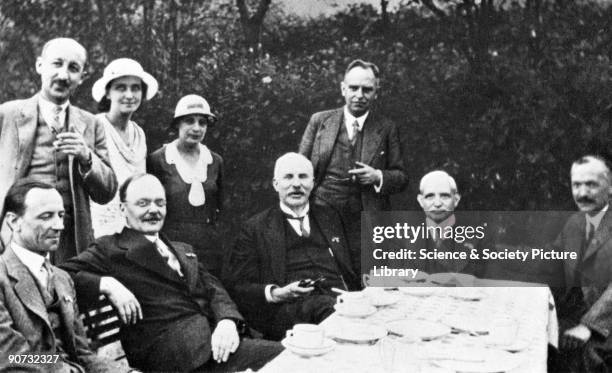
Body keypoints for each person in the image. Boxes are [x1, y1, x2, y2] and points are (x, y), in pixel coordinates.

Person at [60, 173, 282, 372]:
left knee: (294, 355)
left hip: (219, 344)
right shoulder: (110, 249)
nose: (153, 210)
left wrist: (227, 321)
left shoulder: (184, 249)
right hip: (176, 359)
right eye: (143, 203)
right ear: (122, 209)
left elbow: (215, 289)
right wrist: (106, 283)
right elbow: (60, 274)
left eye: (160, 203)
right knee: (290, 360)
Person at [0, 38, 117, 263]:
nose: (63, 75)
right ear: (39, 65)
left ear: (82, 77)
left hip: (70, 241)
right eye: (57, 64)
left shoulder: (91, 124)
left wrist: (86, 157)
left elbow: (107, 192)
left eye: (73, 68)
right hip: (17, 237)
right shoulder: (7, 115)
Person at [224, 153, 359, 340]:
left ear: (312, 183)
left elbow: (355, 264)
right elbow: (239, 286)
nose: (296, 184)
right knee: (329, 309)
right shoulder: (255, 228)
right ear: (275, 184)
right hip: (288, 311)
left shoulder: (331, 217)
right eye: (288, 177)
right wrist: (277, 293)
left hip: (342, 300)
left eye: (303, 177)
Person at [0, 178, 124, 372]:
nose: (59, 226)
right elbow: (11, 357)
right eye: (46, 216)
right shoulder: (2, 277)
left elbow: (82, 353)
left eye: (60, 215)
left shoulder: (62, 278)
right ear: (14, 221)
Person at [299, 59, 408, 272]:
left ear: (376, 92)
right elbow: (298, 167)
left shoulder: (386, 128)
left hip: (366, 218)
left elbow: (402, 177)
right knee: (329, 274)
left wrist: (378, 176)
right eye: (354, 88)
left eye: (367, 90)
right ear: (343, 89)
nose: (359, 95)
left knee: (365, 276)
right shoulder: (320, 121)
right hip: (323, 215)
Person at [148, 94, 224, 276]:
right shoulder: (158, 159)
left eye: (202, 122)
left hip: (209, 249)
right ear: (177, 124)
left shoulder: (215, 161)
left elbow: (219, 207)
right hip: (170, 246)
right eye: (189, 121)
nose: (196, 128)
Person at [552, 155, 612, 372]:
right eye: (576, 185)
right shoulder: (575, 223)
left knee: (586, 355)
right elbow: (550, 265)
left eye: (591, 185)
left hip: (604, 325)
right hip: (578, 318)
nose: (582, 193)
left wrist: (590, 326)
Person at [90, 58, 158, 237]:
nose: (129, 95)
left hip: (133, 223)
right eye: (121, 87)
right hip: (100, 225)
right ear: (108, 93)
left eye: (135, 88)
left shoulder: (139, 133)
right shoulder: (95, 126)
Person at [412, 170, 485, 276]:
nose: (437, 203)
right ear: (420, 200)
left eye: (444, 196)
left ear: (456, 199)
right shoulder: (402, 238)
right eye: (430, 196)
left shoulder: (478, 238)